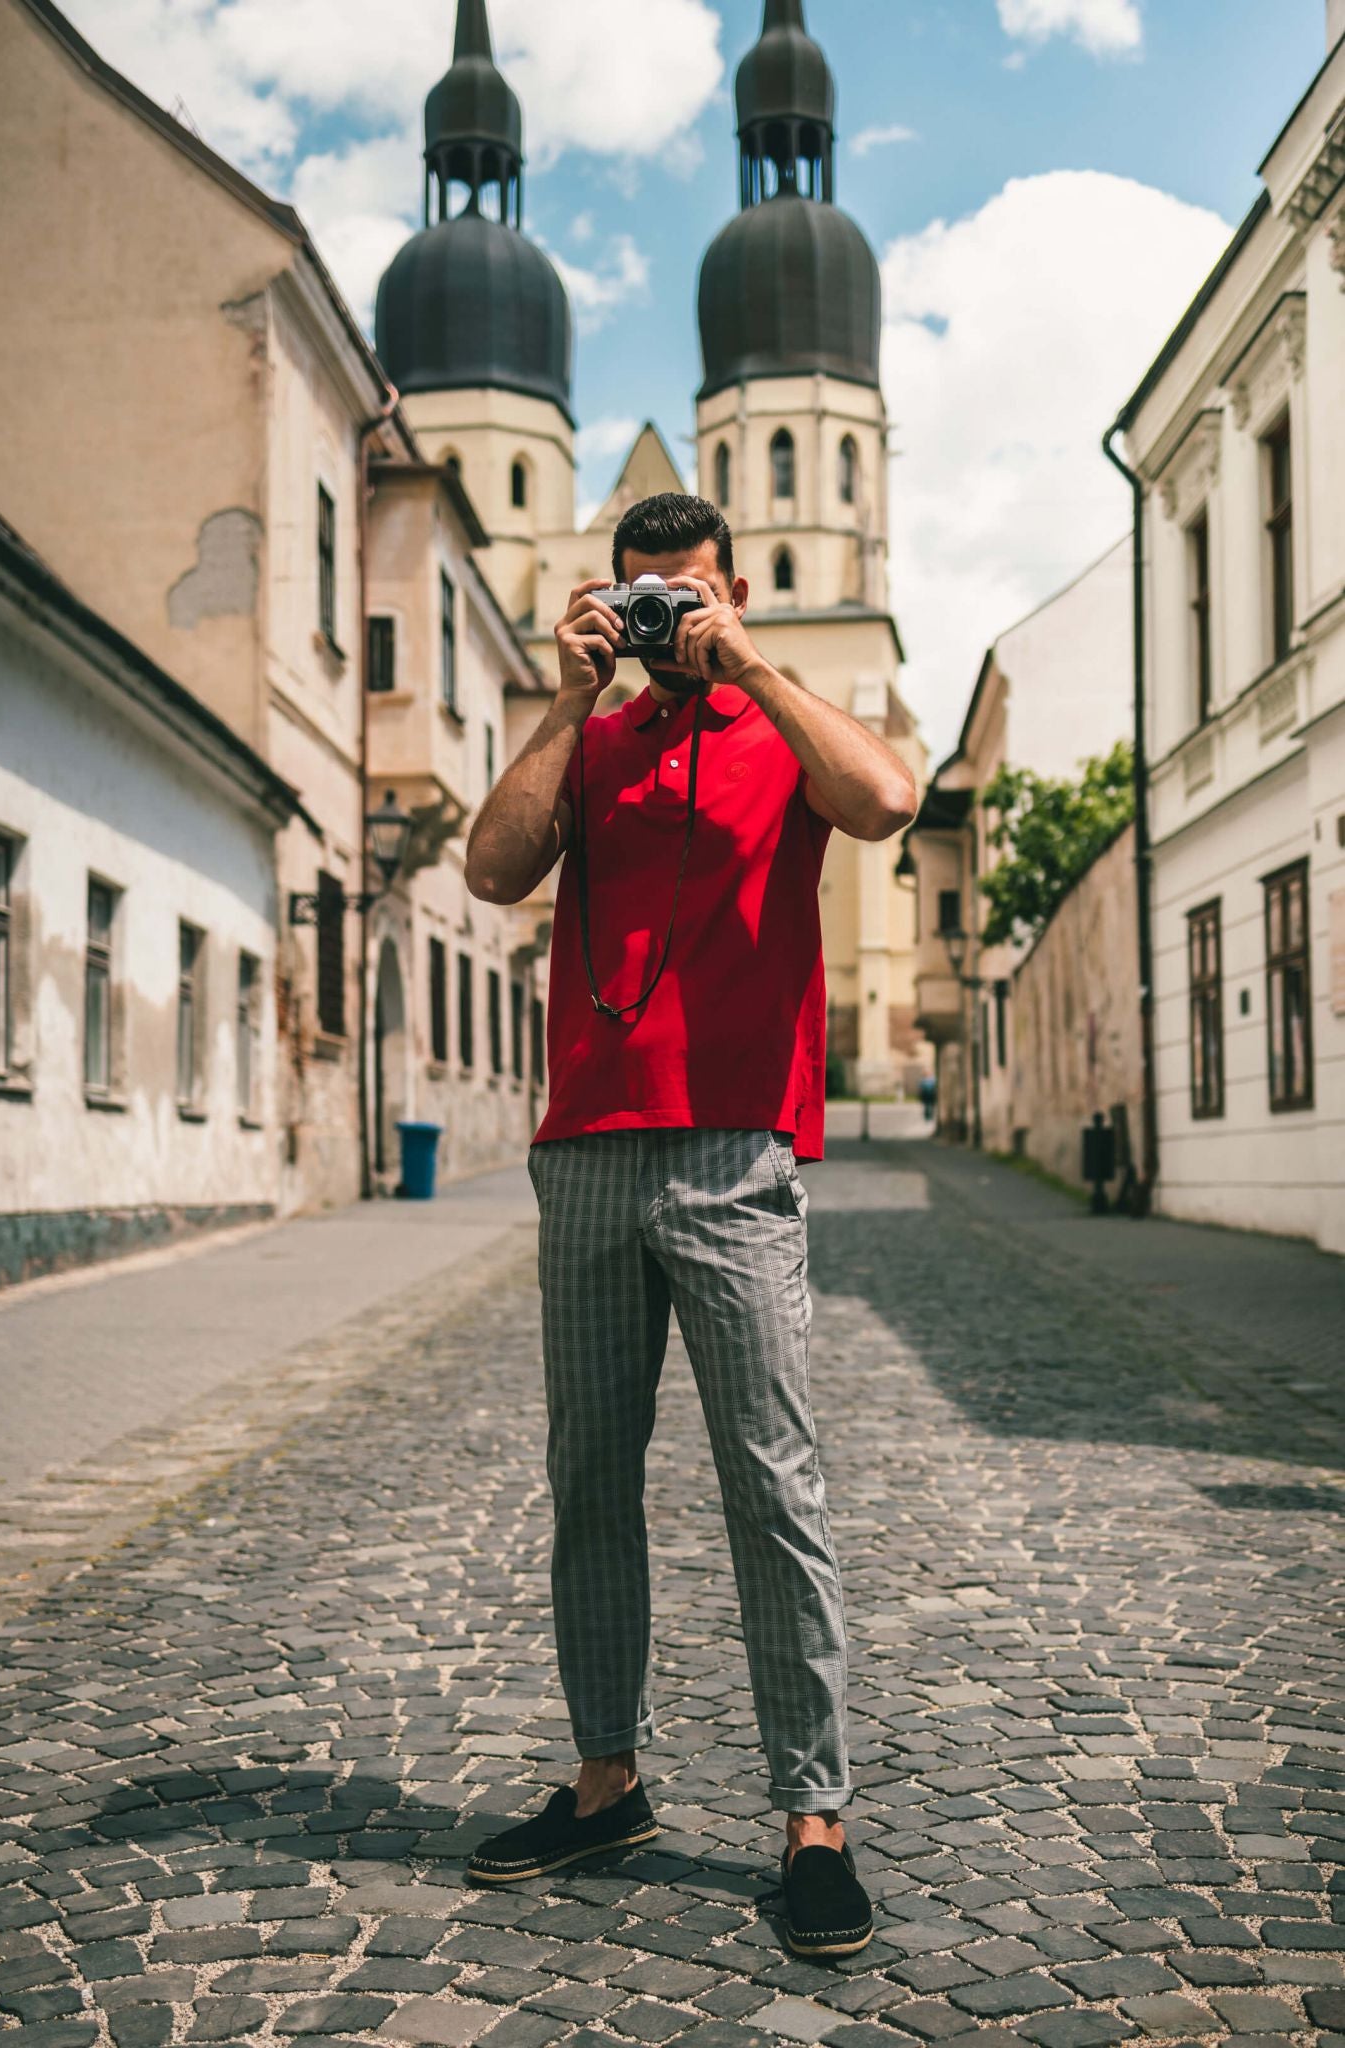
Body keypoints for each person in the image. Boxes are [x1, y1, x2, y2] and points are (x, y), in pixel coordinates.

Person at [462, 494, 917, 1956]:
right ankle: (608, 1782)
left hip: (734, 1152)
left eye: (686, 596)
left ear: (726, 594)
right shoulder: (588, 732)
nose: (660, 618)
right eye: (639, 594)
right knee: (588, 1475)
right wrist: (564, 696)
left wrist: (757, 668)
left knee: (771, 1485)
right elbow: (489, 868)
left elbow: (890, 799)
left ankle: (813, 1821)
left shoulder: (778, 728)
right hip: (586, 1151)